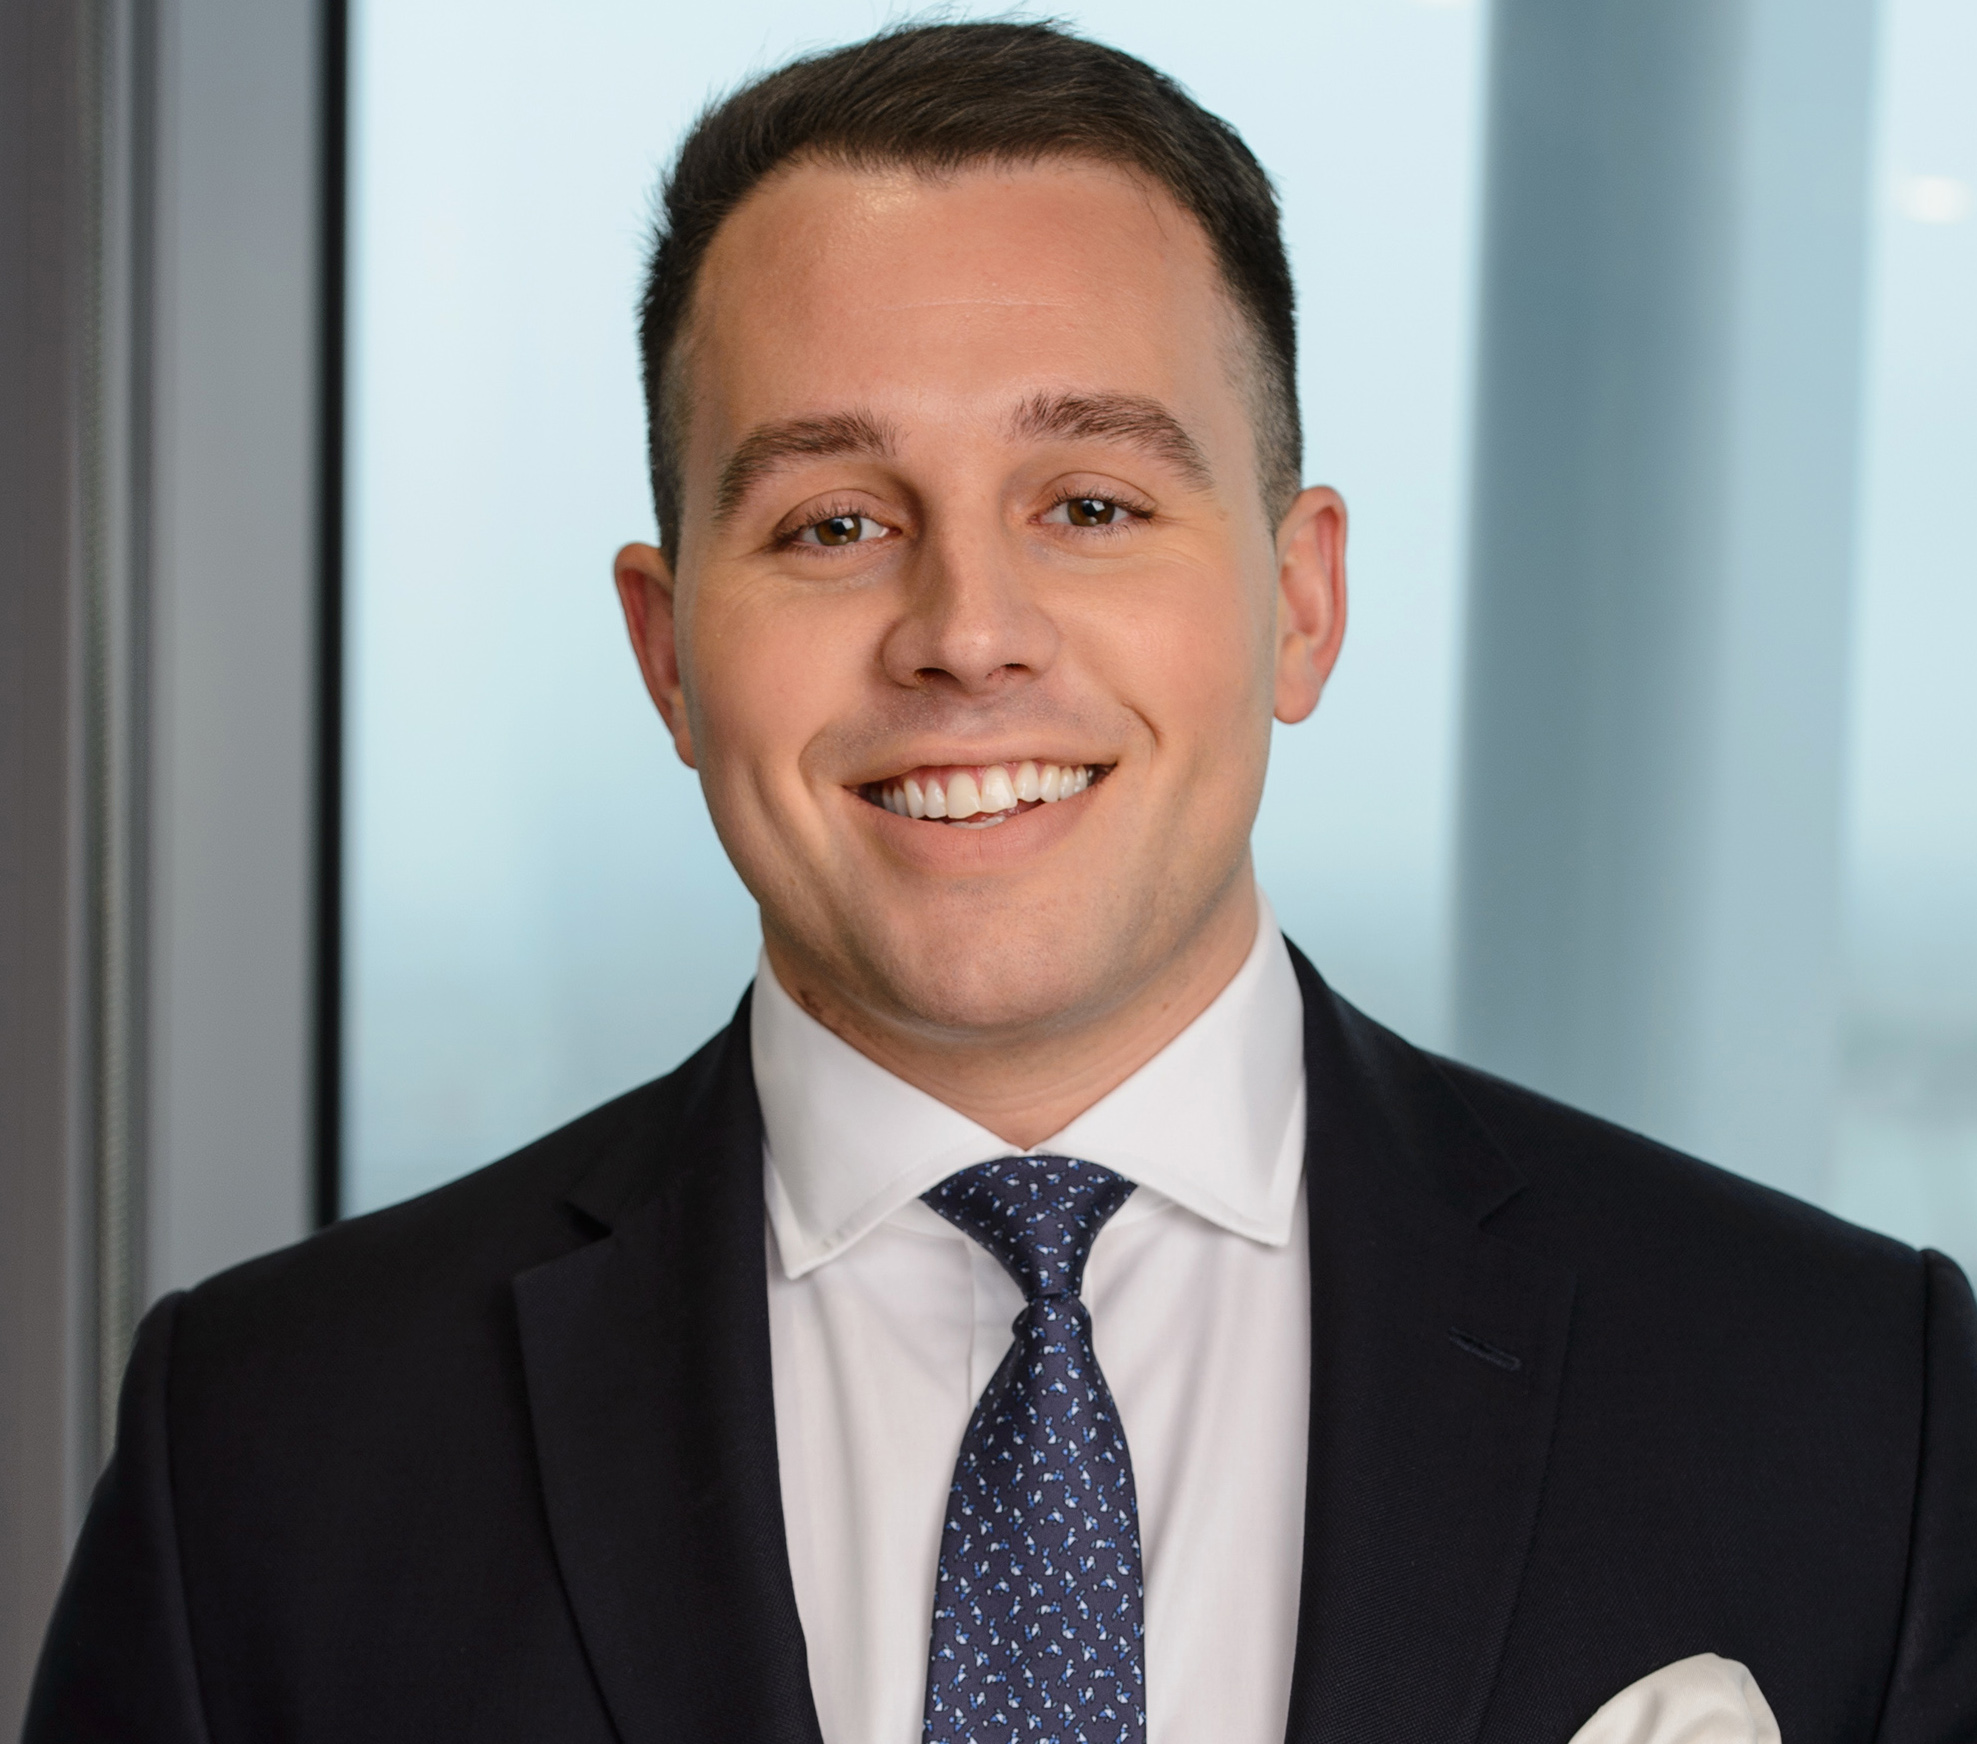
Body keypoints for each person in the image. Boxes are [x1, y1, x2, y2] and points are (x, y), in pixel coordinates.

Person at [26, 21, 1977, 1744]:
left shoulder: (1838, 1402)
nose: (964, 632)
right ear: (668, 653)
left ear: (1299, 600)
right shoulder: (269, 1450)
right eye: (833, 522)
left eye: (1090, 504)